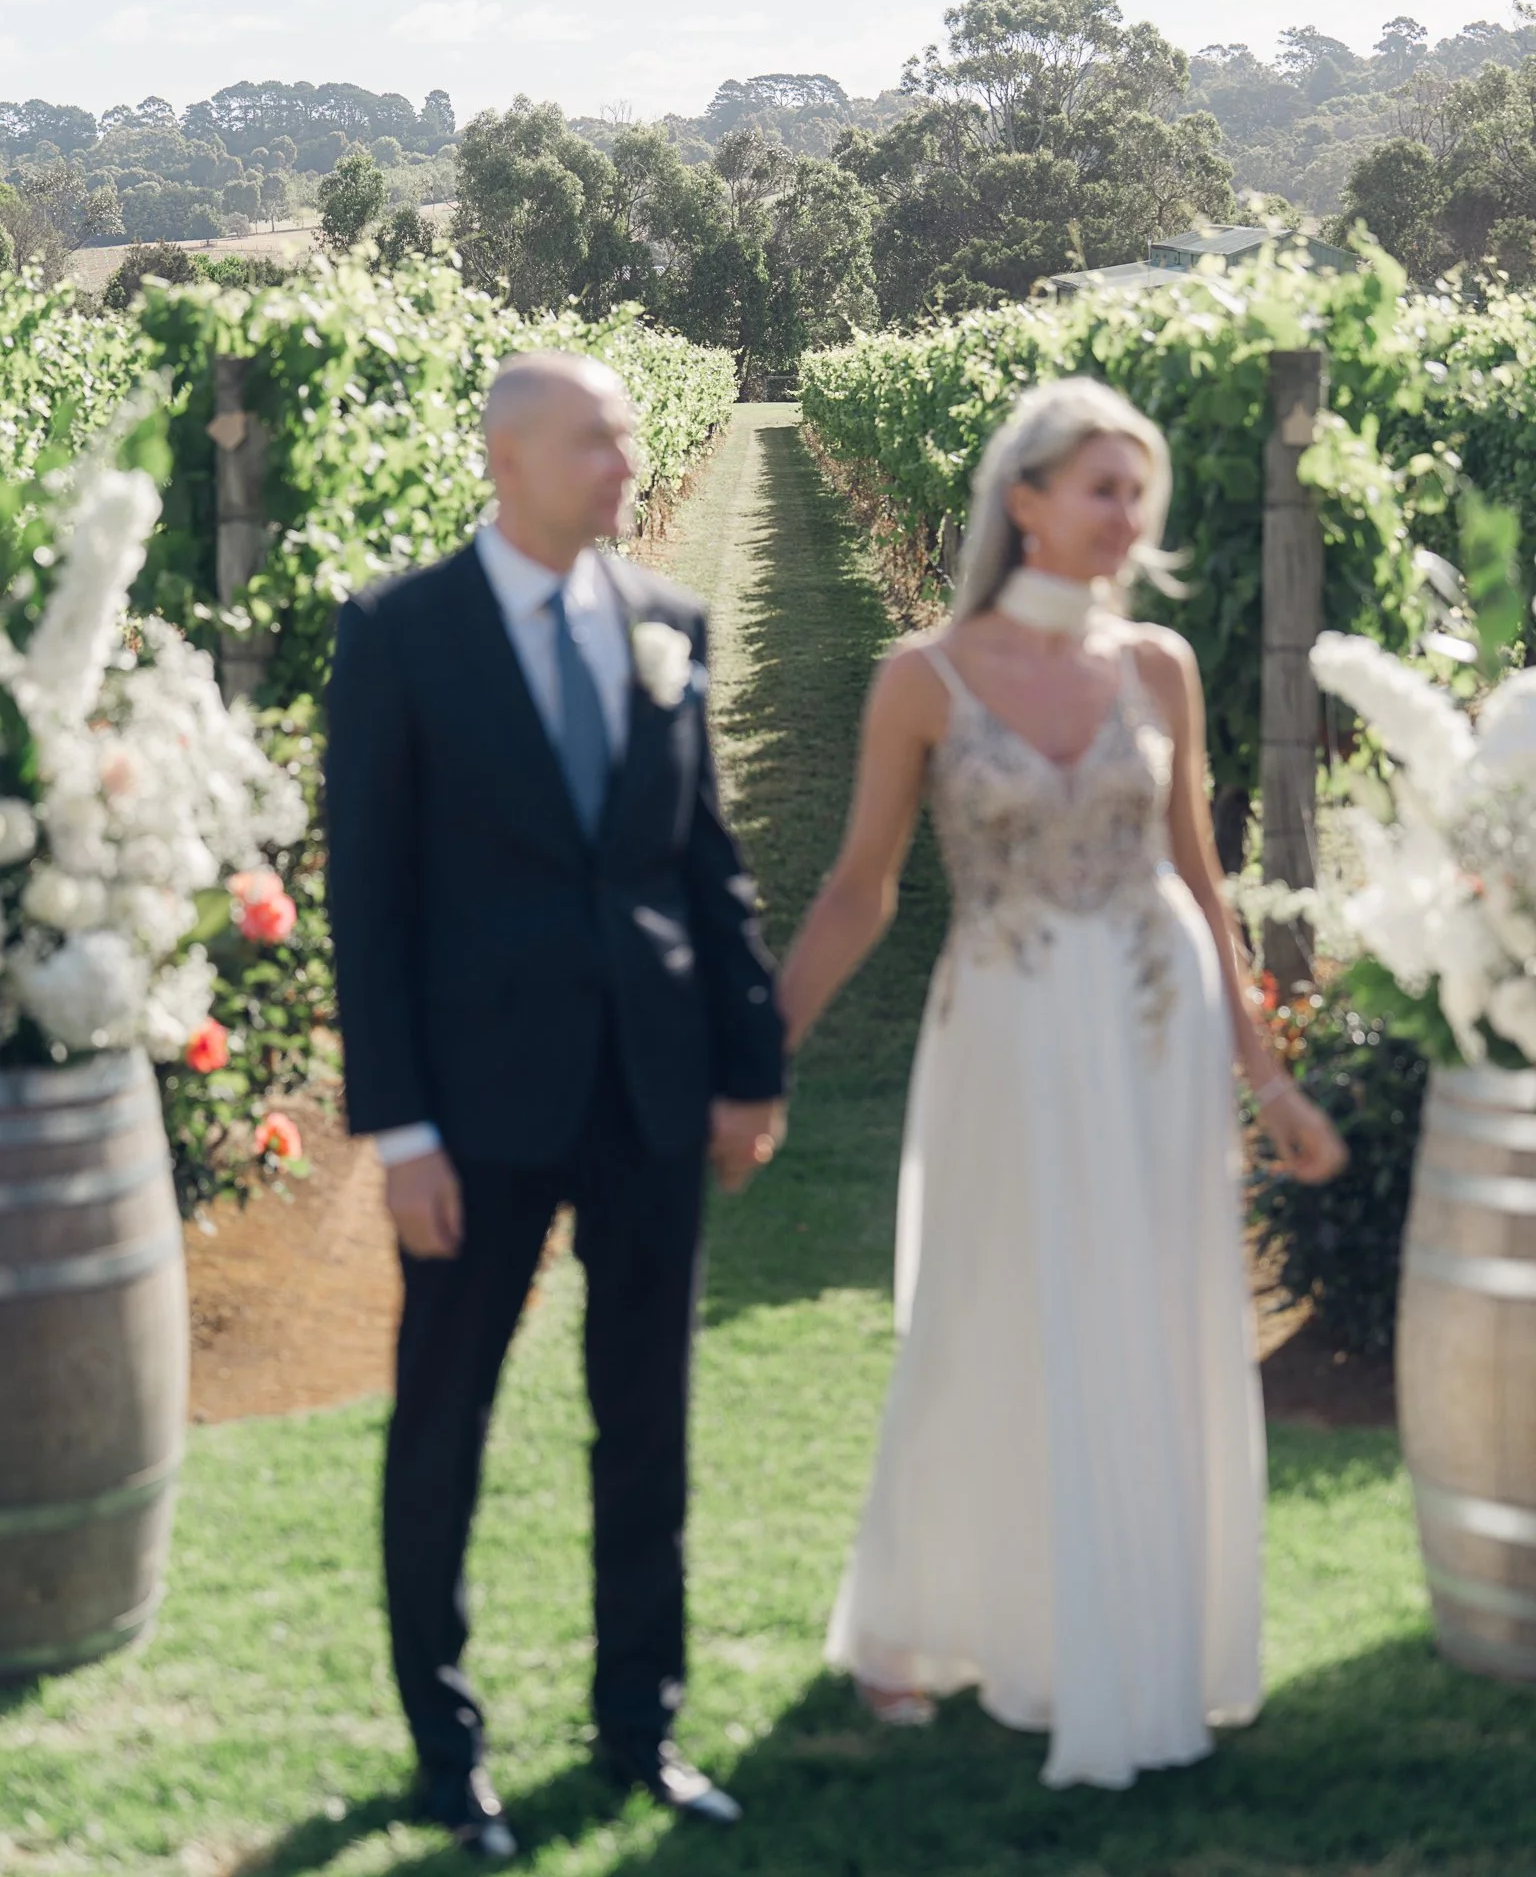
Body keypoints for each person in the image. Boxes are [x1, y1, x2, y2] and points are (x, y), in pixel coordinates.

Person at [777, 377, 1346, 1791]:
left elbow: (1203, 887)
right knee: (993, 1304)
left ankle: (1145, 1628)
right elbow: (860, 890)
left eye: (1136, 491)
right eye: (1103, 485)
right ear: (1023, 498)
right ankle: (952, 1614)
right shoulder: (925, 677)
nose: (1127, 515)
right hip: (1009, 1034)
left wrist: (1267, 1082)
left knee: (1148, 1311)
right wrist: (757, 1049)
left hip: (1152, 1031)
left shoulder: (1159, 667)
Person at [325, 351, 786, 1860]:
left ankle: (639, 1727)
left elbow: (702, 866)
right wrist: (399, 1133)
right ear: (507, 455)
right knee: (444, 1420)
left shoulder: (668, 622)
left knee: (644, 1417)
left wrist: (748, 1066)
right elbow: (370, 904)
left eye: (630, 438)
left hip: (652, 1090)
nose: (624, 460)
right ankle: (445, 1752)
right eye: (599, 438)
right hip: (475, 1111)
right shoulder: (400, 633)